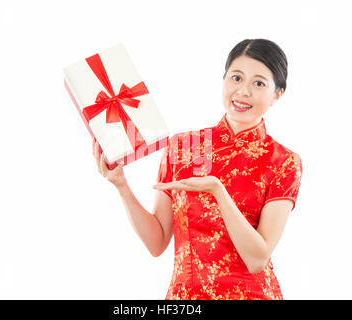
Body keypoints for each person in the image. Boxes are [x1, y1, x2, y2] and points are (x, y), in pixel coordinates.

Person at [92, 39, 302, 300]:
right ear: (224, 80)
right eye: (236, 78)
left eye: (259, 83)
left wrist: (217, 190)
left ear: (277, 95)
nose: (244, 91)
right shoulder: (183, 145)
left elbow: (257, 258)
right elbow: (157, 243)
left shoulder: (283, 161)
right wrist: (121, 185)